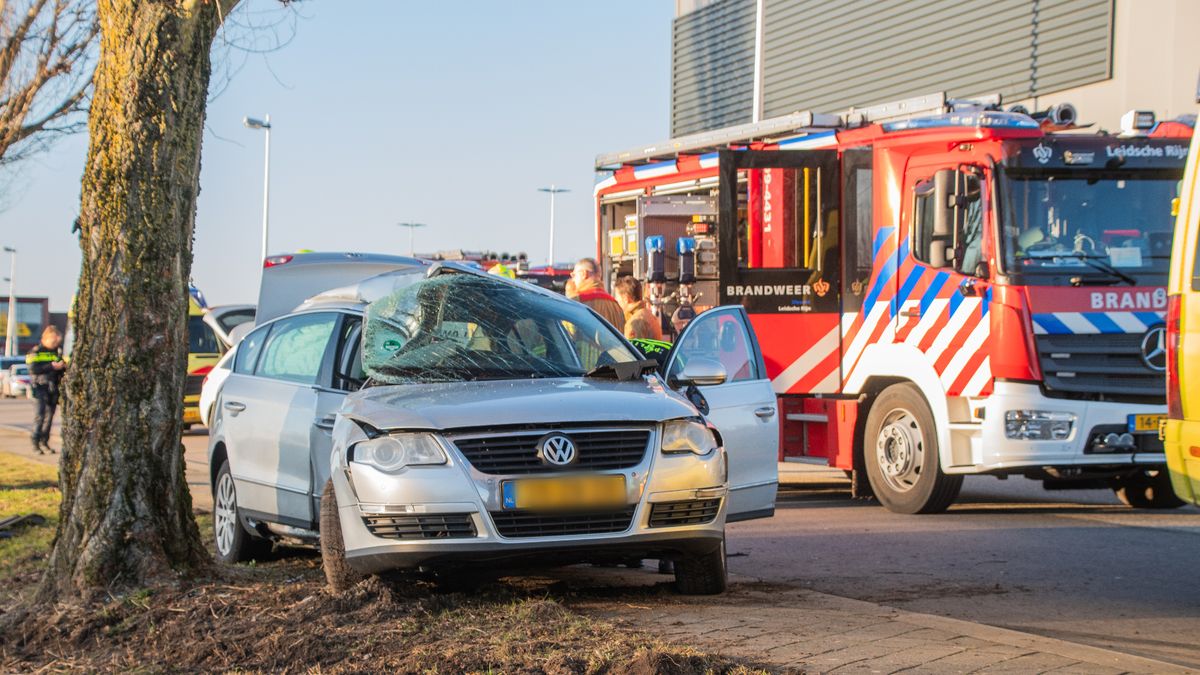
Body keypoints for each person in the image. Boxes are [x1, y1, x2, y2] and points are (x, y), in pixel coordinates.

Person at [26, 326, 66, 454]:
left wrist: (62, 366)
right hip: (39, 387)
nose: (56, 344)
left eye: (57, 342)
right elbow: (33, 369)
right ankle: (35, 443)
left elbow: (61, 369)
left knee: (50, 418)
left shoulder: (57, 352)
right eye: (54, 341)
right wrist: (52, 366)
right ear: (46, 338)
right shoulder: (35, 351)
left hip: (52, 388)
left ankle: (45, 442)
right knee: (40, 416)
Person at [570, 258, 624, 329]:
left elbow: (569, 332)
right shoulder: (615, 305)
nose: (573, 280)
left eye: (574, 275)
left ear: (584, 274)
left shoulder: (577, 301)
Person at [613, 275, 663, 341]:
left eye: (617, 298)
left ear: (626, 299)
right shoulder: (647, 315)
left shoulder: (634, 323)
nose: (616, 301)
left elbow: (631, 350)